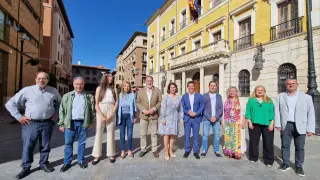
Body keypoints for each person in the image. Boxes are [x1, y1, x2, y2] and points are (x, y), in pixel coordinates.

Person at [5, 72, 61, 179]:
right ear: (35, 79)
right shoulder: (27, 90)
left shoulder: (53, 91)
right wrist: (19, 117)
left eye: (44, 78)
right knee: (28, 146)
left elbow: (59, 103)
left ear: (47, 80)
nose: (41, 80)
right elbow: (10, 103)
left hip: (47, 123)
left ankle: (43, 164)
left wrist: (56, 113)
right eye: (39, 78)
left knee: (45, 145)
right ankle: (26, 168)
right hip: (31, 124)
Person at [275, 79, 315, 177]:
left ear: (297, 84)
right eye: (288, 84)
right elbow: (277, 111)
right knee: (285, 145)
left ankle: (299, 166)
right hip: (286, 125)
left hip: (301, 125)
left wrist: (310, 128)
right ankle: (285, 163)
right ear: (286, 85)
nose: (291, 85)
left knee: (300, 147)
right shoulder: (280, 96)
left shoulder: (306, 97)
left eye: (293, 84)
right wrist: (278, 124)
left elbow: (311, 113)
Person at [58, 77, 95, 172]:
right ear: (73, 85)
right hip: (70, 123)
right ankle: (67, 162)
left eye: (81, 84)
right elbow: (61, 110)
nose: (79, 86)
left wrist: (91, 121)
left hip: (83, 123)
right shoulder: (67, 96)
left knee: (82, 143)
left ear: (83, 85)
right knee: (68, 144)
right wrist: (61, 124)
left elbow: (92, 110)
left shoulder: (88, 96)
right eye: (77, 84)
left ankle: (81, 160)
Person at [92, 73, 118, 164]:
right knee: (99, 132)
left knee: (111, 133)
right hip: (101, 110)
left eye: (111, 77)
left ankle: (111, 154)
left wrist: (112, 113)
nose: (111, 78)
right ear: (105, 78)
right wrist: (101, 115)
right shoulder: (99, 89)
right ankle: (96, 155)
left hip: (111, 109)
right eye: (109, 77)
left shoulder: (114, 89)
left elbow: (116, 102)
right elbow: (96, 104)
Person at [245, 85, 275, 167]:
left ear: (264, 91)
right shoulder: (251, 100)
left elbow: (272, 113)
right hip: (254, 124)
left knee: (268, 142)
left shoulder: (269, 100)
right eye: (258, 90)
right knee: (253, 142)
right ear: (255, 91)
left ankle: (268, 160)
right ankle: (253, 157)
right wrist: (249, 122)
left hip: (267, 124)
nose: (260, 91)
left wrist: (272, 123)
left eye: (261, 90)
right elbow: (248, 112)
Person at [136, 75, 162, 158]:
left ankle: (154, 150)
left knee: (154, 134)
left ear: (152, 81)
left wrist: (154, 109)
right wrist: (143, 110)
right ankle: (143, 149)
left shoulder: (157, 91)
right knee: (142, 134)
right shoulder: (140, 91)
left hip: (154, 115)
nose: (149, 82)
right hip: (143, 115)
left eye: (150, 81)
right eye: (148, 81)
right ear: (145, 82)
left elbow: (160, 101)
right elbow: (138, 102)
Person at [158, 82, 183, 160]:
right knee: (166, 134)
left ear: (176, 88)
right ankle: (166, 151)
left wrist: (181, 118)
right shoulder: (166, 97)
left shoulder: (179, 97)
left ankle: (171, 150)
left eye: (174, 87)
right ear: (169, 88)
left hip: (175, 118)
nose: (173, 88)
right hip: (167, 117)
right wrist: (163, 118)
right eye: (171, 87)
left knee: (172, 134)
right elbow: (163, 108)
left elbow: (181, 109)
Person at [181, 81, 204, 159]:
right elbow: (182, 107)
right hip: (187, 118)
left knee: (196, 135)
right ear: (187, 87)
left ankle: (196, 151)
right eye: (189, 86)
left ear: (194, 87)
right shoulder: (184, 96)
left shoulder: (199, 96)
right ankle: (187, 150)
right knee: (187, 135)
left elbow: (202, 106)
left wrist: (196, 113)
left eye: (192, 86)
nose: (191, 87)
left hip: (196, 118)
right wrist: (188, 112)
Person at [201, 81, 223, 158]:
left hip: (216, 119)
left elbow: (220, 108)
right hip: (207, 119)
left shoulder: (219, 96)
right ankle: (204, 150)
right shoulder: (204, 96)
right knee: (205, 135)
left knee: (217, 135)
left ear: (216, 87)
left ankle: (216, 150)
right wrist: (210, 117)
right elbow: (203, 108)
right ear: (208, 86)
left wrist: (216, 117)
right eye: (211, 85)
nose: (213, 87)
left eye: (214, 86)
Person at [222, 86, 246, 160]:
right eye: (230, 91)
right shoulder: (225, 100)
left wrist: (243, 121)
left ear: (236, 92)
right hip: (228, 122)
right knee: (229, 138)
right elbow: (223, 112)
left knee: (239, 137)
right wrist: (222, 121)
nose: (232, 92)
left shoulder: (240, 100)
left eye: (234, 91)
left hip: (238, 122)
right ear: (228, 92)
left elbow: (244, 112)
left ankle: (238, 153)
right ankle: (230, 152)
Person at [117, 82, 137, 159]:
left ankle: (129, 150)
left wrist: (135, 116)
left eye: (128, 86)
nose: (127, 87)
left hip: (129, 116)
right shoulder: (120, 95)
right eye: (125, 86)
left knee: (130, 134)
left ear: (130, 87)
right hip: (121, 116)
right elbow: (117, 106)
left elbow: (134, 106)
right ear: (123, 87)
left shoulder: (132, 95)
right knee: (122, 134)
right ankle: (122, 150)